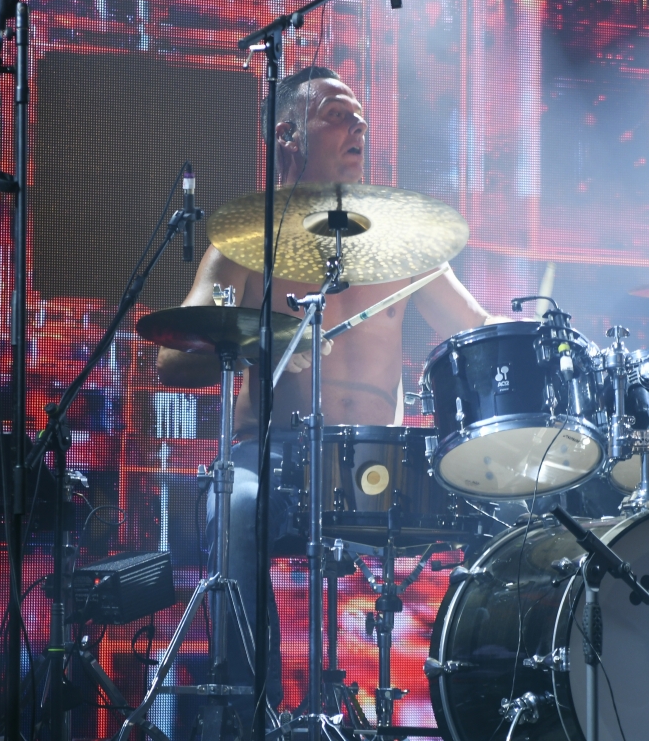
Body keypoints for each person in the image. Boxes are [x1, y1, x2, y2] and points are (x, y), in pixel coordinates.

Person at [155, 66, 504, 728]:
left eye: (360, 116)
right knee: (236, 506)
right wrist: (257, 340)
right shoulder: (245, 240)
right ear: (288, 136)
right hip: (273, 458)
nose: (358, 125)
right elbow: (173, 358)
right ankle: (250, 716)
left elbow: (479, 332)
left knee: (497, 501)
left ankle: (488, 709)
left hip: (382, 464)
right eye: (338, 114)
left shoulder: (403, 239)